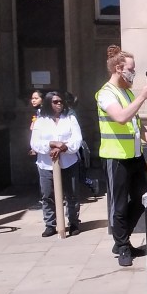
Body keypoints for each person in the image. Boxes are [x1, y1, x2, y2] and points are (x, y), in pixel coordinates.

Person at [97, 45, 147, 267]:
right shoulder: (105, 93)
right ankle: (123, 247)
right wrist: (142, 98)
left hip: (135, 155)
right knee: (119, 204)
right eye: (131, 69)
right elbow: (121, 118)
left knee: (142, 198)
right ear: (119, 68)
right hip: (116, 157)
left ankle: (121, 238)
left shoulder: (127, 93)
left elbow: (138, 124)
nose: (133, 73)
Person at [30, 91, 83, 237]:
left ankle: (73, 222)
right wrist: (51, 144)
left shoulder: (70, 118)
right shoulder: (40, 121)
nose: (59, 104)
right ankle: (50, 224)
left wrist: (63, 147)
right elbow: (34, 143)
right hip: (46, 164)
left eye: (61, 101)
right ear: (48, 103)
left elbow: (77, 139)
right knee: (47, 194)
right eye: (55, 102)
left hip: (68, 162)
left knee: (71, 194)